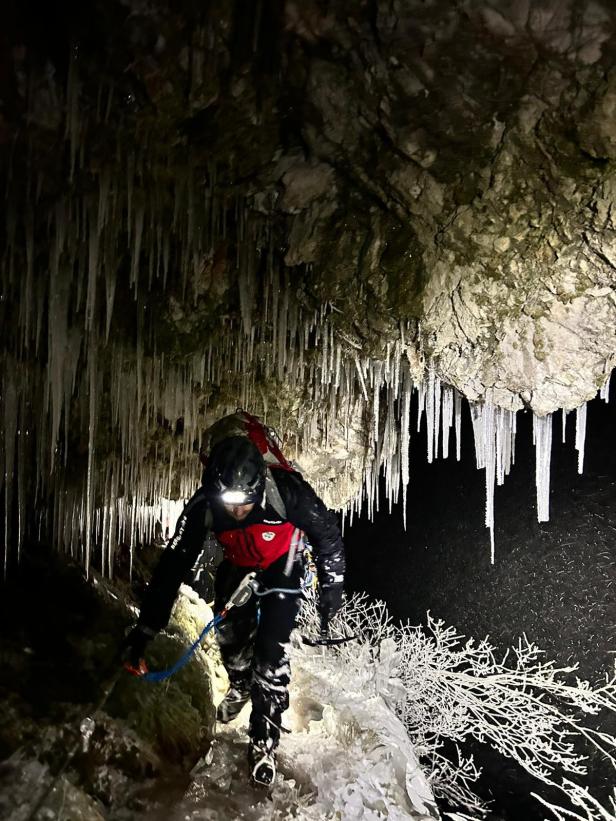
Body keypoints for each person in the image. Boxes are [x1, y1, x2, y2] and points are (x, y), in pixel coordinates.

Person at [122, 432, 345, 787]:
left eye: (245, 502)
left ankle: (263, 740)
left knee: (271, 655)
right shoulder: (204, 506)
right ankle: (240, 683)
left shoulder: (286, 491)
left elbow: (327, 534)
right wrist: (146, 629)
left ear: (259, 488)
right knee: (229, 636)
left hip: (282, 565)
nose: (237, 511)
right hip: (238, 564)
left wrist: (331, 590)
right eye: (230, 503)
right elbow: (172, 567)